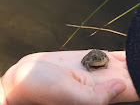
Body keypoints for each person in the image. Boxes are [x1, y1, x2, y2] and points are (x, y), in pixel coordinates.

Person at [0, 50, 139, 105]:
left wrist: (10, 88)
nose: (101, 59)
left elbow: (106, 59)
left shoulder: (104, 58)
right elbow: (86, 61)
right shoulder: (91, 59)